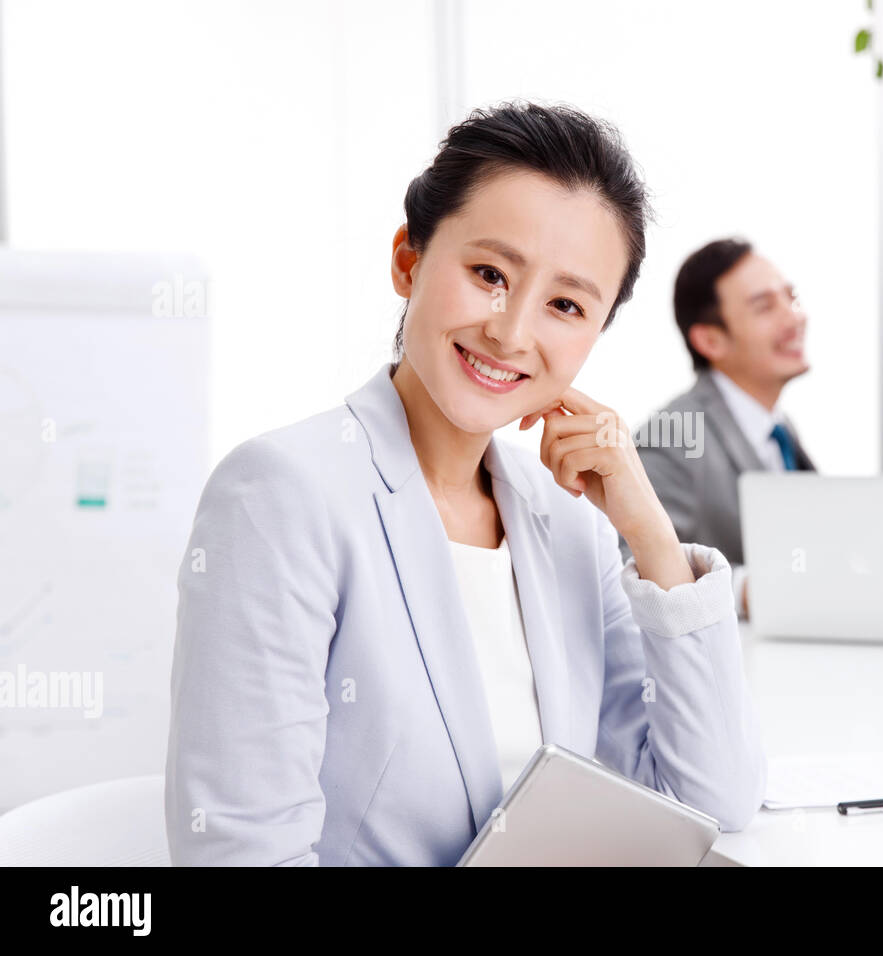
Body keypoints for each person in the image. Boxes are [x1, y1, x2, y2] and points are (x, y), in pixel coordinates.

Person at [165, 103, 767, 866]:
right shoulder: (281, 495)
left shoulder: (566, 520)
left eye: (566, 305)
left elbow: (709, 799)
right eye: (489, 274)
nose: (512, 331)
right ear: (408, 261)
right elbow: (241, 853)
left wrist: (649, 532)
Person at [627, 238, 814, 619]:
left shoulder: (780, 428)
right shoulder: (675, 434)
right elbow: (624, 564)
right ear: (710, 340)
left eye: (791, 298)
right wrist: (745, 590)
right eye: (765, 307)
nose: (795, 318)